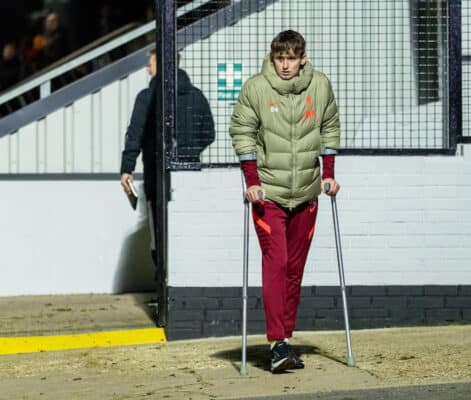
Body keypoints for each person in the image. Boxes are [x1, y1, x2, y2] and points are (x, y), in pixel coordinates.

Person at [229, 30, 341, 373]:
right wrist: (251, 181)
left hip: (307, 194)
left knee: (294, 270)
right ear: (273, 57)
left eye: (292, 58)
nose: (286, 65)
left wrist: (329, 173)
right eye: (280, 58)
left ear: (303, 58)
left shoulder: (320, 86)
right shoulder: (256, 88)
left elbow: (330, 126)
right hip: (270, 195)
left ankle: (285, 341)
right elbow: (242, 130)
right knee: (276, 263)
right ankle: (277, 342)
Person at [120, 49, 215, 322]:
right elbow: (209, 131)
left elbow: (134, 135)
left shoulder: (148, 97)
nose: (148, 70)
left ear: (160, 64)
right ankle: (189, 293)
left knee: (159, 238)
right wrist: (188, 152)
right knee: (187, 233)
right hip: (190, 179)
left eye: (150, 64)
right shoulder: (195, 96)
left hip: (158, 179)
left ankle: (165, 295)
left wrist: (127, 167)